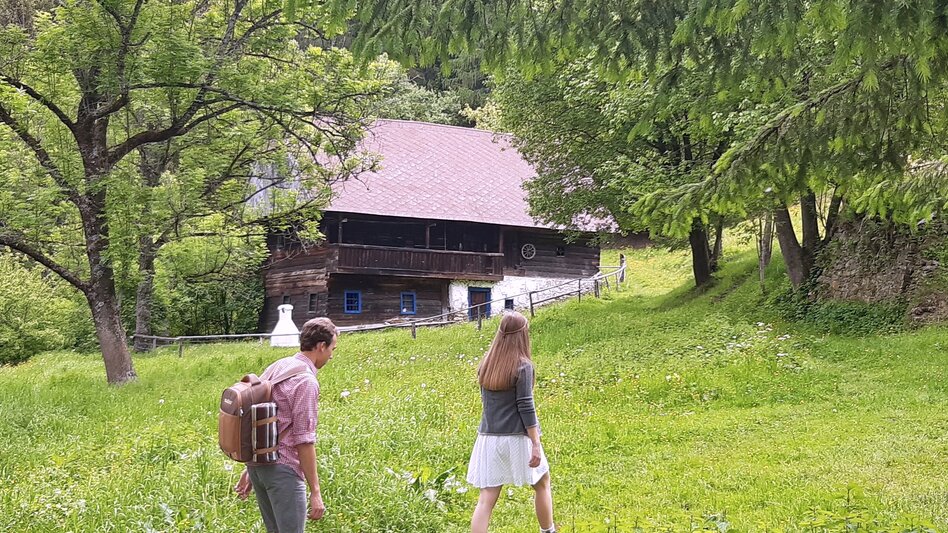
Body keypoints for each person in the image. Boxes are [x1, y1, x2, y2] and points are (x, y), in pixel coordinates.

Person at [234, 317, 338, 532]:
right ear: (321, 346)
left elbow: (253, 417)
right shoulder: (306, 381)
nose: (331, 355)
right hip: (284, 471)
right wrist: (316, 491)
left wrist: (249, 467)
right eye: (332, 349)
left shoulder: (279, 365)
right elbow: (304, 440)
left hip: (258, 467)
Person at [467, 311, 556, 533]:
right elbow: (526, 406)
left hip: (488, 439)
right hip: (517, 438)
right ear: (522, 335)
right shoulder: (523, 366)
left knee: (486, 499)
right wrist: (535, 443)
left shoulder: (486, 364)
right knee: (542, 483)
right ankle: (548, 531)